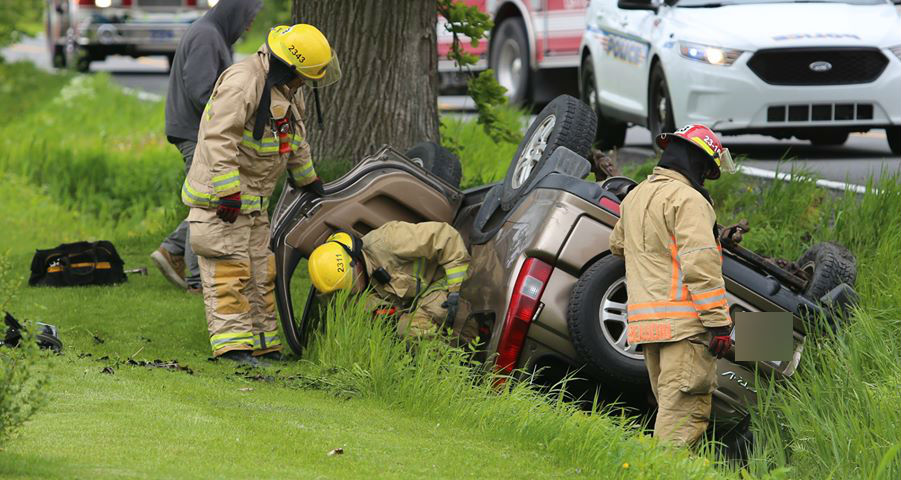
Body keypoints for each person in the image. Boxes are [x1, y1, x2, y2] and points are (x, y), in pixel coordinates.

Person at [182, 24, 340, 365]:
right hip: (221, 205)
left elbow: (292, 138)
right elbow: (218, 138)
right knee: (230, 274)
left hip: (252, 204)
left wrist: (308, 179)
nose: (305, 84)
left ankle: (264, 346)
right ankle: (234, 350)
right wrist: (227, 193)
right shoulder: (243, 84)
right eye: (303, 76)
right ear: (289, 66)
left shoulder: (283, 86)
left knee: (259, 274)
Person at [609, 124, 736, 447]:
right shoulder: (688, 200)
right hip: (685, 330)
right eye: (707, 170)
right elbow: (700, 265)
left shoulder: (636, 196)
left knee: (668, 410)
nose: (706, 178)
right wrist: (719, 323)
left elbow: (618, 245)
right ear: (697, 163)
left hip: (648, 328)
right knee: (682, 422)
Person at [151, 0, 262, 293]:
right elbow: (203, 92)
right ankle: (196, 281)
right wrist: (237, 115)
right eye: (249, 17)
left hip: (199, 130)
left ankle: (172, 249)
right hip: (195, 132)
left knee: (207, 200)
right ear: (236, 12)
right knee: (207, 202)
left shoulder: (214, 34)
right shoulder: (207, 36)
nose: (250, 24)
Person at [307, 221, 471, 339]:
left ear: (355, 262)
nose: (350, 293)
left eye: (350, 285)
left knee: (409, 329)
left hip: (447, 282)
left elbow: (445, 236)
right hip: (417, 302)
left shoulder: (389, 240)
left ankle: (446, 373)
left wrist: (455, 291)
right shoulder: (345, 288)